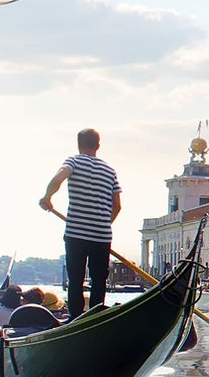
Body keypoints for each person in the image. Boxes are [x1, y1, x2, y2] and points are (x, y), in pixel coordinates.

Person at [40, 128, 123, 319]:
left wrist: (47, 197)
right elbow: (117, 206)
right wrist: (102, 223)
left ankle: (76, 317)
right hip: (102, 235)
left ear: (79, 144)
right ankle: (96, 317)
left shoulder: (73, 161)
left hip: (76, 233)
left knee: (76, 279)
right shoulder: (109, 171)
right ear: (98, 146)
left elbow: (58, 178)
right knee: (99, 280)